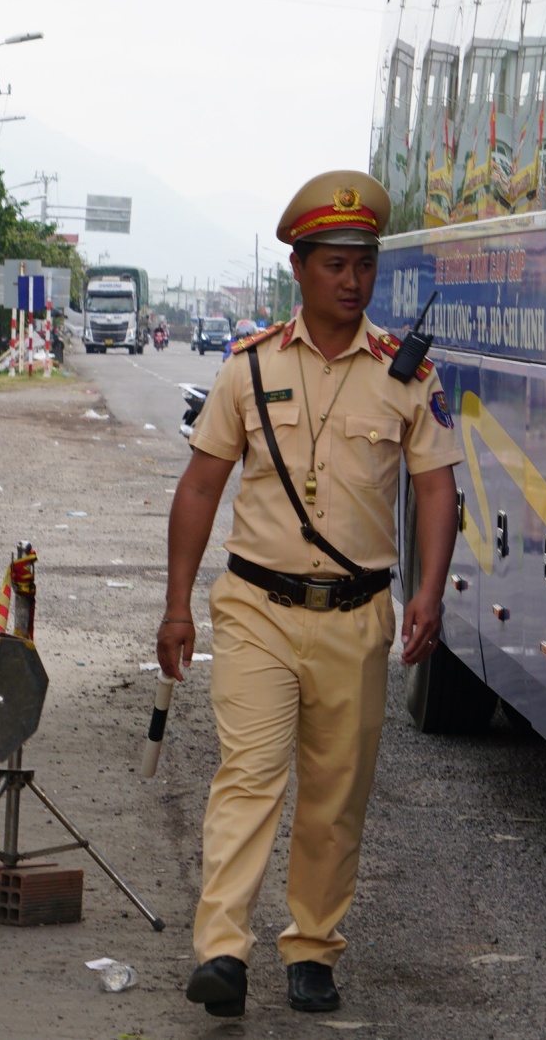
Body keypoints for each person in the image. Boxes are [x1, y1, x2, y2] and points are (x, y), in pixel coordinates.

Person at [159, 170, 461, 1018]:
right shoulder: (249, 367)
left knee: (335, 796)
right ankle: (222, 950)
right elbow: (200, 487)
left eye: (363, 264)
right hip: (255, 608)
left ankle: (314, 948)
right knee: (248, 776)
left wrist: (430, 593)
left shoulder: (407, 375)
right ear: (299, 268)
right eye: (334, 264)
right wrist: (177, 605)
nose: (351, 280)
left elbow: (437, 489)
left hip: (357, 616)